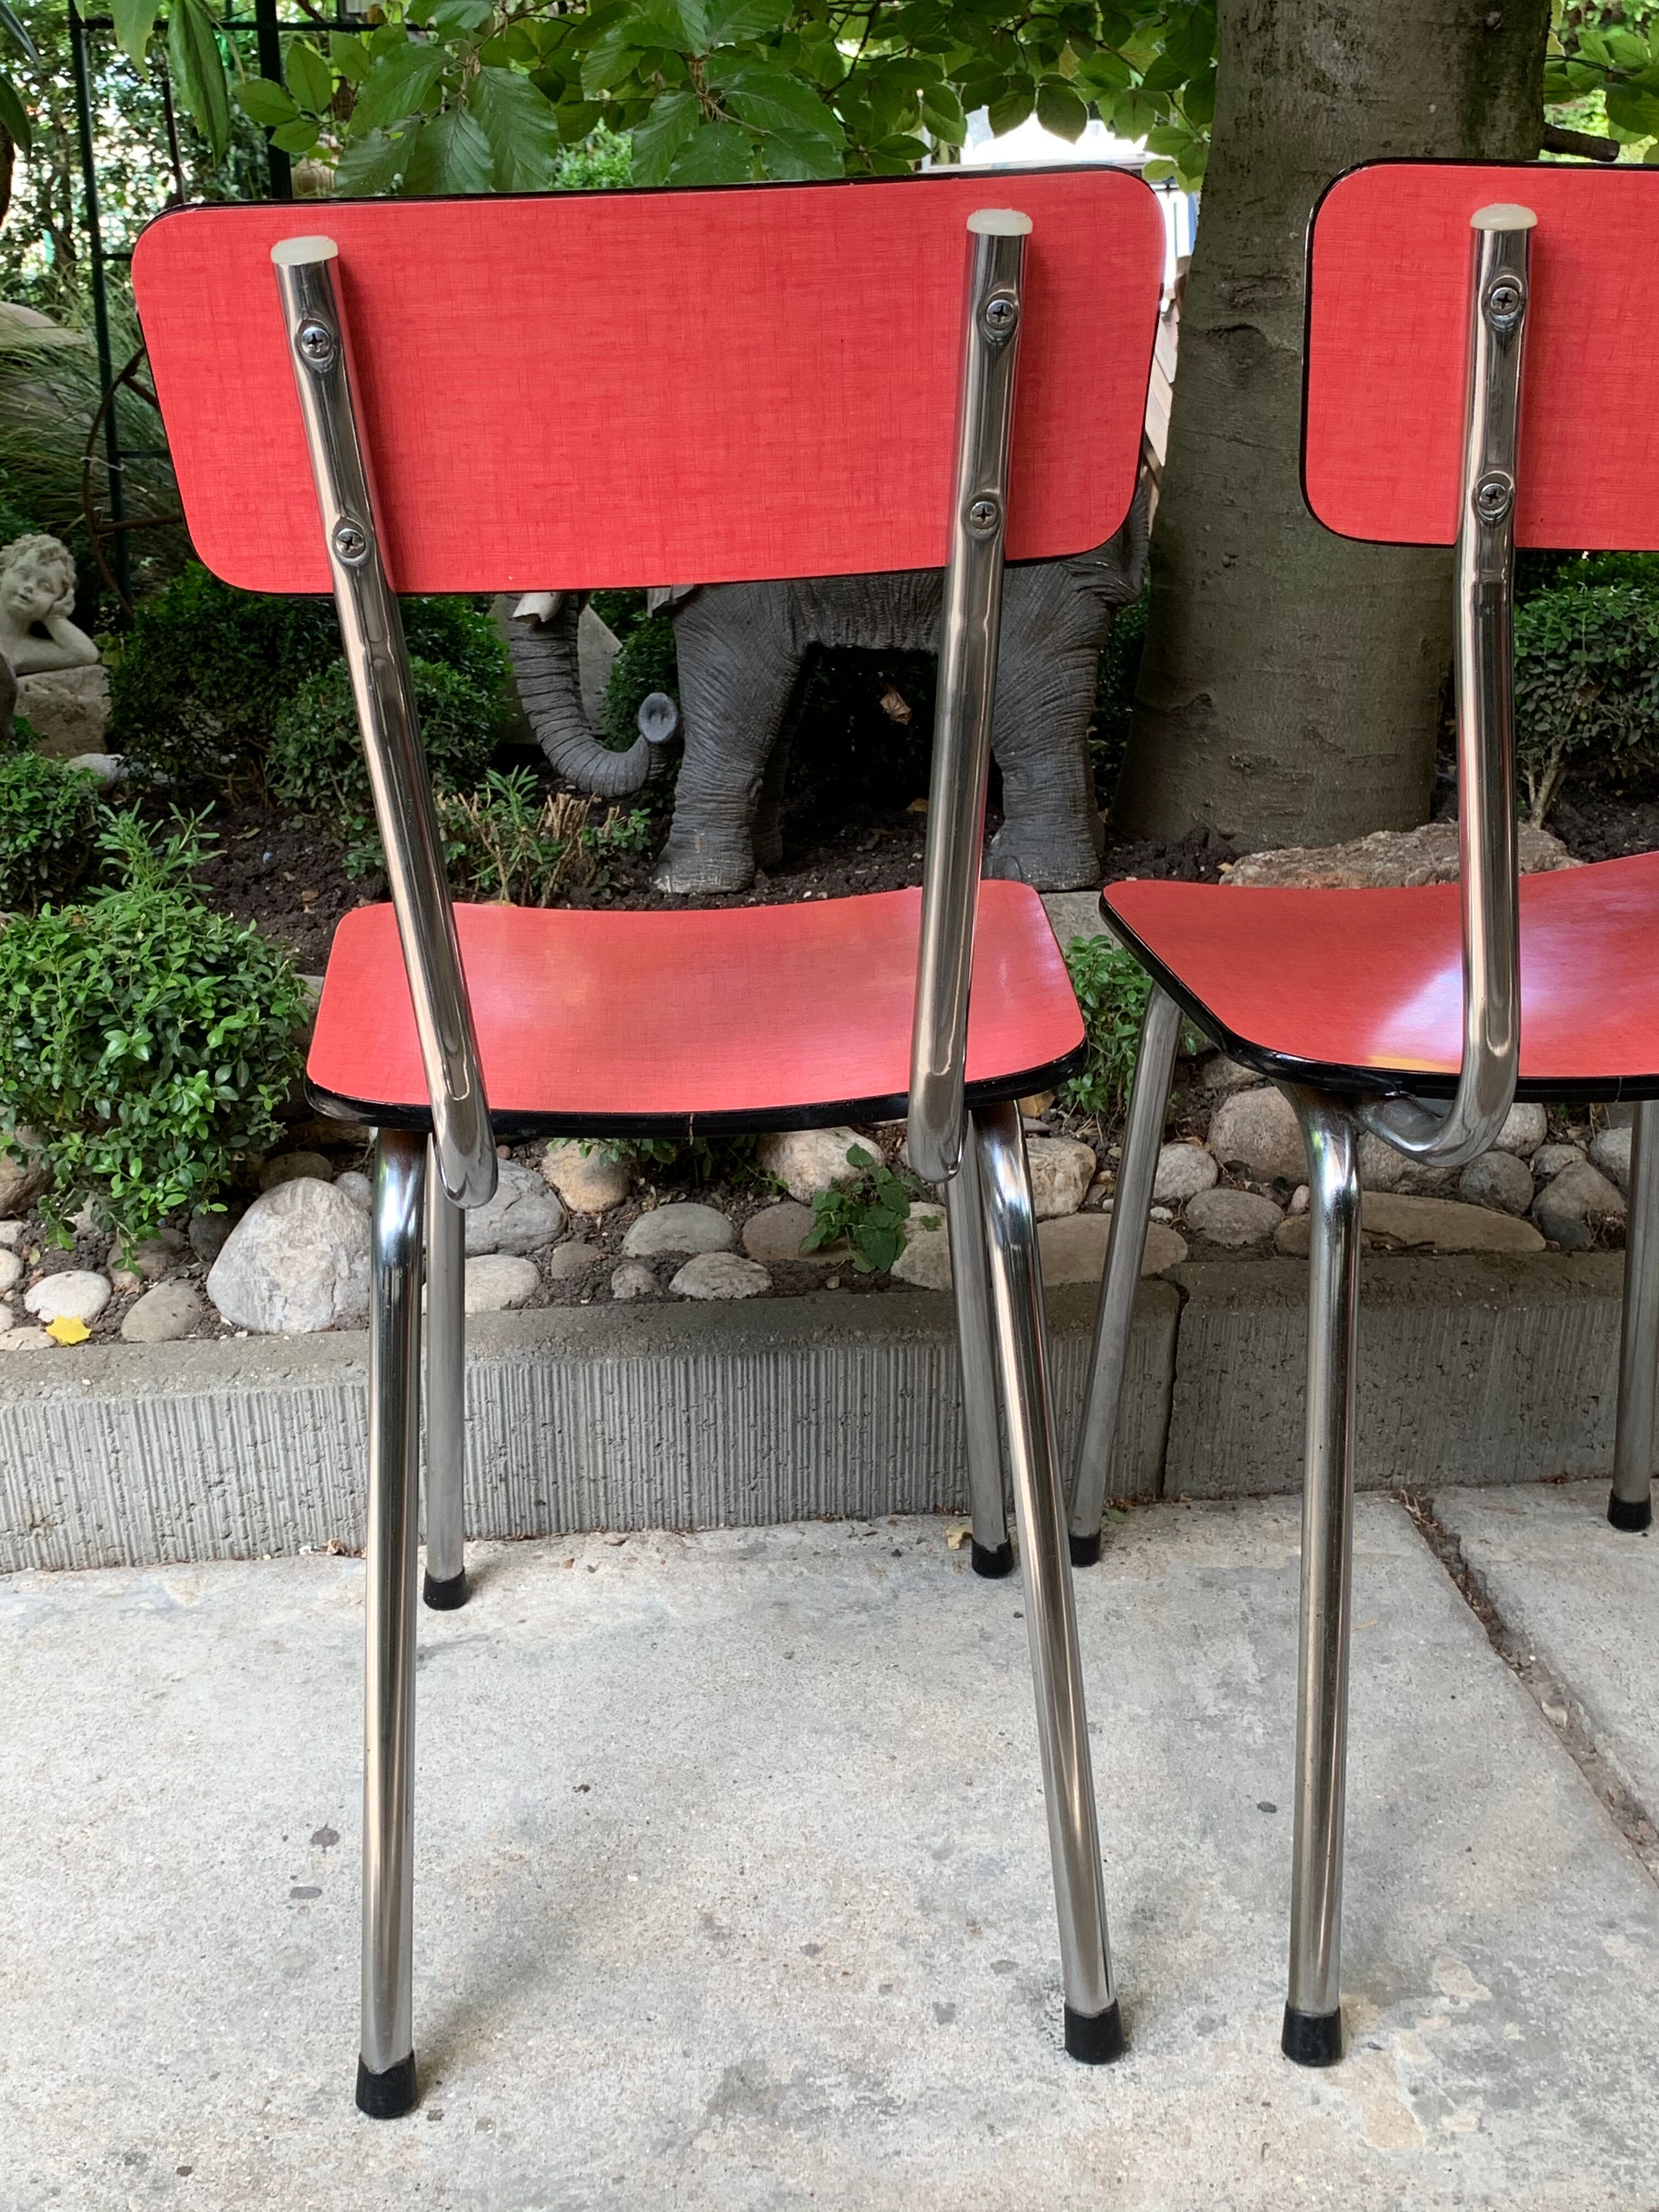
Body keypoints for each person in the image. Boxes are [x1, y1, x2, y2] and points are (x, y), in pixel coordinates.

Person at [0, 534, 99, 676]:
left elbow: (85, 654)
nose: (30, 587)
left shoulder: (22, 653)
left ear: (59, 600)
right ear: (3, 572)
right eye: (24, 575)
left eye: (45, 587)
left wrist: (54, 617)